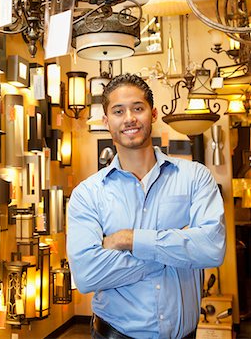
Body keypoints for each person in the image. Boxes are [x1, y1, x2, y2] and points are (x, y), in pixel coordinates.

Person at [67, 73, 226, 339]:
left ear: (152, 114)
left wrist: (128, 240)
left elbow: (211, 249)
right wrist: (177, 252)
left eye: (137, 108)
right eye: (118, 111)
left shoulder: (195, 177)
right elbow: (86, 275)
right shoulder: (87, 194)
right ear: (107, 121)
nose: (129, 118)